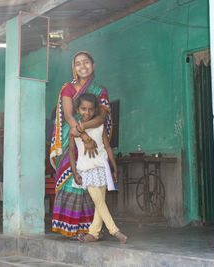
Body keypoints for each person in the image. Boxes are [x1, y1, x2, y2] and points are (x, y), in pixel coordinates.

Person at [50, 51, 113, 239]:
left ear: (93, 65)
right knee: (73, 179)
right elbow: (69, 116)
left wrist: (84, 127)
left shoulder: (100, 90)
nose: (82, 66)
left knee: (93, 182)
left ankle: (92, 230)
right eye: (78, 63)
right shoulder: (68, 88)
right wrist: (83, 137)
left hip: (93, 139)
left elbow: (102, 116)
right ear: (74, 67)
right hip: (74, 139)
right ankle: (70, 228)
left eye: (86, 62)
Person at [69, 93, 127, 243]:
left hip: (102, 168)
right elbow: (71, 152)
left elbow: (107, 148)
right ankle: (115, 230)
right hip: (86, 169)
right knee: (99, 202)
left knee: (99, 203)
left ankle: (93, 233)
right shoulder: (75, 131)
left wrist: (114, 167)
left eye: (90, 109)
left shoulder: (100, 127)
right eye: (83, 109)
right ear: (77, 110)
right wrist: (74, 172)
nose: (86, 113)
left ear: (95, 110)